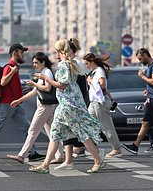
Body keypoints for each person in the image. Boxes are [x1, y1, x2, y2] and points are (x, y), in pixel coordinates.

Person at [29, 38, 106, 174]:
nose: (55, 54)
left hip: (69, 105)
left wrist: (46, 79)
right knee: (55, 133)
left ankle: (98, 158)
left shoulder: (65, 65)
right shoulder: (69, 64)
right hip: (67, 104)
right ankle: (45, 165)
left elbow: (63, 85)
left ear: (60, 51)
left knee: (80, 133)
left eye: (56, 51)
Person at [0, 43, 42, 163]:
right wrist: (12, 71)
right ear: (15, 53)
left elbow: (12, 86)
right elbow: (3, 82)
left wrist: (25, 88)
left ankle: (32, 153)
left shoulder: (14, 67)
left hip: (15, 104)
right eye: (21, 52)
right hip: (7, 104)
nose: (23, 55)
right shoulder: (9, 66)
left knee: (26, 127)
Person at [7, 52, 63, 164]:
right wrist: (19, 100)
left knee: (32, 130)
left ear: (43, 62)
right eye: (33, 63)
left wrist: (35, 84)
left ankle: (21, 155)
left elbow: (47, 88)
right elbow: (34, 91)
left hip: (45, 106)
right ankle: (60, 155)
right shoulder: (42, 72)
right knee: (52, 132)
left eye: (36, 62)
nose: (34, 65)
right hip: (46, 106)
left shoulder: (46, 72)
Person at [83, 53, 122, 157]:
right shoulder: (94, 72)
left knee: (106, 126)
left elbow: (102, 85)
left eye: (87, 63)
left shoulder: (99, 71)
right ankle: (90, 147)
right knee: (88, 124)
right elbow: (104, 89)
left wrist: (91, 81)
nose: (86, 65)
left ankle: (116, 148)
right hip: (94, 102)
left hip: (99, 103)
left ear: (92, 61)